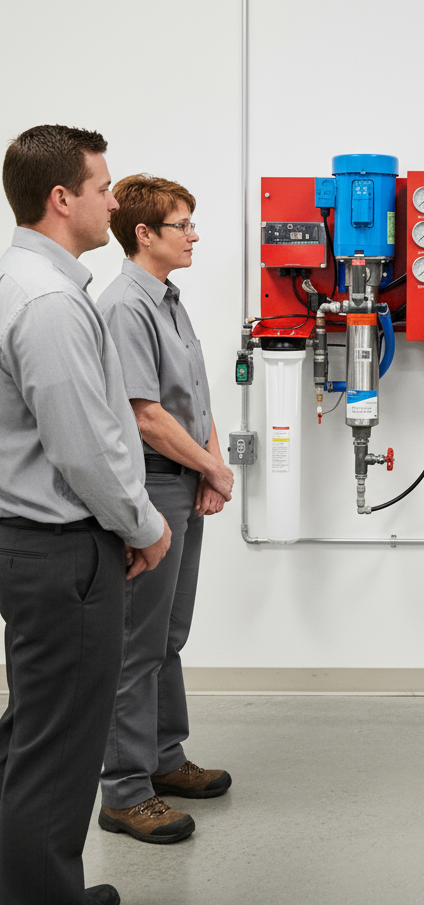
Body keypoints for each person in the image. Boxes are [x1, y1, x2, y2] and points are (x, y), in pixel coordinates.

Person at [0, 125, 171, 905]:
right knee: (60, 750)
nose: (113, 199)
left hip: (34, 544)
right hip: (62, 548)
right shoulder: (51, 306)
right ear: (61, 198)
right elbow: (85, 449)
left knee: (35, 735)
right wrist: (144, 524)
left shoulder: (25, 281)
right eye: (102, 188)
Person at [95, 174, 235, 844]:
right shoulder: (125, 305)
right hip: (153, 482)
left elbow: (192, 398)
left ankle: (163, 759)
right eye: (183, 224)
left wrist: (210, 464)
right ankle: (123, 792)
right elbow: (144, 415)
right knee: (137, 642)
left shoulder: (169, 300)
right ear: (144, 233)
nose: (194, 235)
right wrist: (209, 466)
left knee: (169, 635)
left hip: (185, 478)